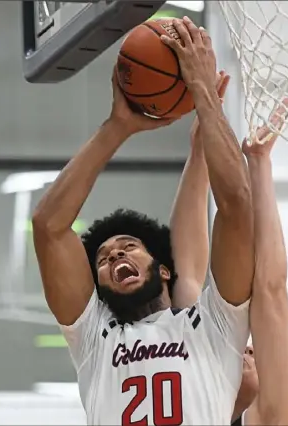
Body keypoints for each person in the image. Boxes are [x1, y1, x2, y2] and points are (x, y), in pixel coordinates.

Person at [32, 18, 255, 425]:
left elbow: (237, 205)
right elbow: (48, 226)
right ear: (95, 287)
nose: (114, 252)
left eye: (129, 246)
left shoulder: (212, 324)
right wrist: (117, 127)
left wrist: (204, 94)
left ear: (164, 269)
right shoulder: (93, 339)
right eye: (102, 258)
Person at [172, 91, 288, 424]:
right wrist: (199, 153)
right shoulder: (207, 403)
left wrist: (259, 163)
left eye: (271, 357)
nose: (250, 347)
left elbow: (271, 289)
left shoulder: (287, 419)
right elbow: (189, 275)